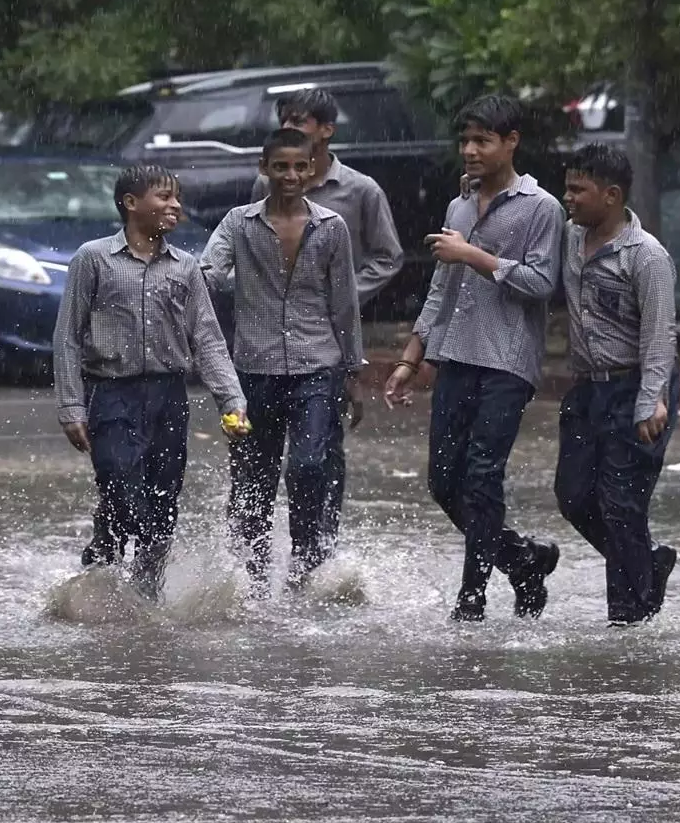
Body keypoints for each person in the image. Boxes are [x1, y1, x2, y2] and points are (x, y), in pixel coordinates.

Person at [383, 94, 564, 622]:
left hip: (509, 360)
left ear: (511, 143)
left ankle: (472, 598)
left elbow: (540, 282)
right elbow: (442, 289)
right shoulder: (458, 206)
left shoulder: (542, 208)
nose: (470, 150)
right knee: (444, 481)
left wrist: (474, 255)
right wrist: (410, 360)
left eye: (482, 140)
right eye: (465, 140)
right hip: (456, 354)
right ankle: (524, 560)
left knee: (483, 475)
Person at [53, 164, 249, 600]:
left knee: (163, 499)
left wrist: (231, 401)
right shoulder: (93, 258)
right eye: (163, 197)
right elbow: (67, 336)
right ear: (130, 203)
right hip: (111, 393)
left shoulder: (185, 269)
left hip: (168, 397)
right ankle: (104, 553)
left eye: (176, 197)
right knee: (121, 484)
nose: (174, 205)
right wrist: (71, 407)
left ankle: (145, 595)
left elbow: (208, 340)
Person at [201, 128, 363, 595]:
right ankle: (249, 578)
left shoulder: (331, 227)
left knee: (310, 465)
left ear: (312, 169)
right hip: (254, 368)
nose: (290, 175)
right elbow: (210, 272)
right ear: (264, 169)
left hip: (317, 364)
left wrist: (352, 371)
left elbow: (344, 303)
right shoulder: (239, 223)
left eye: (299, 166)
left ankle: (307, 564)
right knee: (253, 478)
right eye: (280, 167)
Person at [251, 88, 404, 556]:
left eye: (301, 120)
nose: (292, 128)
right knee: (258, 458)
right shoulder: (264, 188)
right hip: (269, 340)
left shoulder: (359, 190)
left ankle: (317, 551)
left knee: (317, 454)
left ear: (326, 130)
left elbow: (388, 256)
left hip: (331, 337)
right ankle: (250, 562)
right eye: (285, 119)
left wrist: (343, 294)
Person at [554, 143, 680, 626]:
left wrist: (652, 401)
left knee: (620, 502)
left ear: (610, 195)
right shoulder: (569, 237)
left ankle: (631, 619)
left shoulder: (646, 257)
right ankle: (646, 563)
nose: (568, 198)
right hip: (588, 388)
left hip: (636, 386)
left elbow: (659, 334)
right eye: (567, 188)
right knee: (573, 496)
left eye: (577, 190)